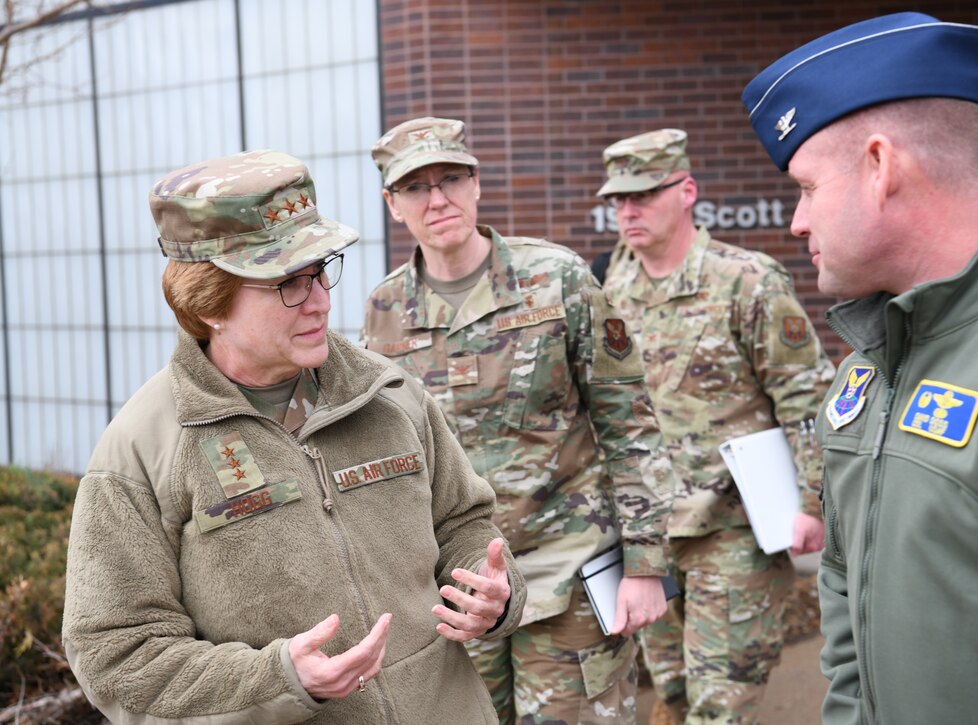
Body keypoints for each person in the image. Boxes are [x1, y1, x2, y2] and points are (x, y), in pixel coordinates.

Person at [62, 149, 526, 724]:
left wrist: (487, 593)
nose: (321, 301)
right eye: (288, 283)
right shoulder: (142, 449)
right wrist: (278, 680)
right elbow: (118, 654)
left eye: (321, 271)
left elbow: (462, 525)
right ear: (208, 304)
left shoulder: (389, 394)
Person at [743, 11, 978, 724]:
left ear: (880, 166)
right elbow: (843, 600)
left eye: (806, 186)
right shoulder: (872, 357)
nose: (796, 222)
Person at [362, 117, 675, 724]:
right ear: (392, 205)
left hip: (570, 573)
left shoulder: (556, 279)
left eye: (450, 178)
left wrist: (645, 562)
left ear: (476, 184)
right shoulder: (384, 310)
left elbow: (628, 423)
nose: (437, 199)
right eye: (415, 187)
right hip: (460, 590)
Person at [595, 128, 835, 723]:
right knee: (670, 697)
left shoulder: (746, 280)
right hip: (648, 539)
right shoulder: (610, 288)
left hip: (733, 530)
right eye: (619, 199)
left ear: (687, 192)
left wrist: (814, 500)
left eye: (646, 194)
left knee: (720, 707)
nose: (629, 210)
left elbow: (804, 396)